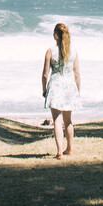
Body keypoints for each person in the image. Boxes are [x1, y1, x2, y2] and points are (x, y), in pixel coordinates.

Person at [40, 21, 81, 159]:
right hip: (70, 87)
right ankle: (69, 149)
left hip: (56, 87)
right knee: (68, 120)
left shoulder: (50, 51)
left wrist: (44, 89)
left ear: (55, 35)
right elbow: (77, 73)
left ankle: (59, 152)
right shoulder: (73, 51)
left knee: (57, 120)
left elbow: (45, 74)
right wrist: (78, 91)